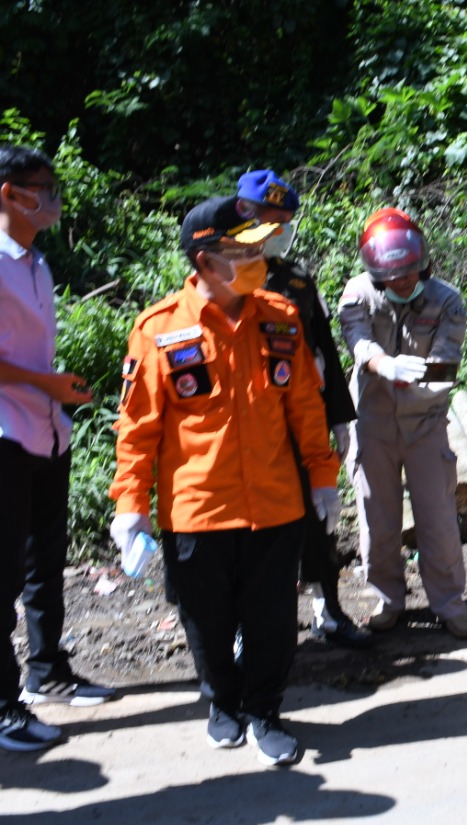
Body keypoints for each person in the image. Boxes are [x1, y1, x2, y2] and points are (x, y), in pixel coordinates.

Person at [109, 196, 339, 765]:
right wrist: (130, 505)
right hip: (197, 509)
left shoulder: (279, 316)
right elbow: (137, 428)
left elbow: (306, 408)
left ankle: (264, 711)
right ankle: (222, 705)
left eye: (258, 247)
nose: (257, 256)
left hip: (276, 504)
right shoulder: (159, 330)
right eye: (242, 249)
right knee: (207, 622)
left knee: (272, 622)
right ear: (205, 258)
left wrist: (323, 477)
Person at [0, 145, 111, 751]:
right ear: (9, 193)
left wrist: (54, 387)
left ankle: (48, 672)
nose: (54, 199)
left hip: (45, 428)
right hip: (5, 433)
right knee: (1, 573)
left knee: (46, 557)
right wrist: (47, 384)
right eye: (43, 187)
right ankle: (1, 705)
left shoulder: (36, 263)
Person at [235, 169, 370, 650]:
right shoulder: (224, 275)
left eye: (286, 222)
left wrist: (339, 417)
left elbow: (323, 352)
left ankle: (328, 610)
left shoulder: (297, 280)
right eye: (273, 221)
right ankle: (244, 628)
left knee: (318, 521)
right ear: (245, 216)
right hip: (247, 428)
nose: (282, 231)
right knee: (247, 530)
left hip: (302, 424)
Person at [337, 208, 467, 639]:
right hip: (371, 424)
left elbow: (446, 366)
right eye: (392, 278)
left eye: (409, 275)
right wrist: (383, 365)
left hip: (425, 424)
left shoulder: (447, 300)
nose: (401, 283)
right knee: (378, 519)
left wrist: (415, 379)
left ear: (423, 264)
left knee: (437, 519)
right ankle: (388, 599)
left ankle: (449, 603)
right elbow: (357, 339)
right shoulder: (357, 293)